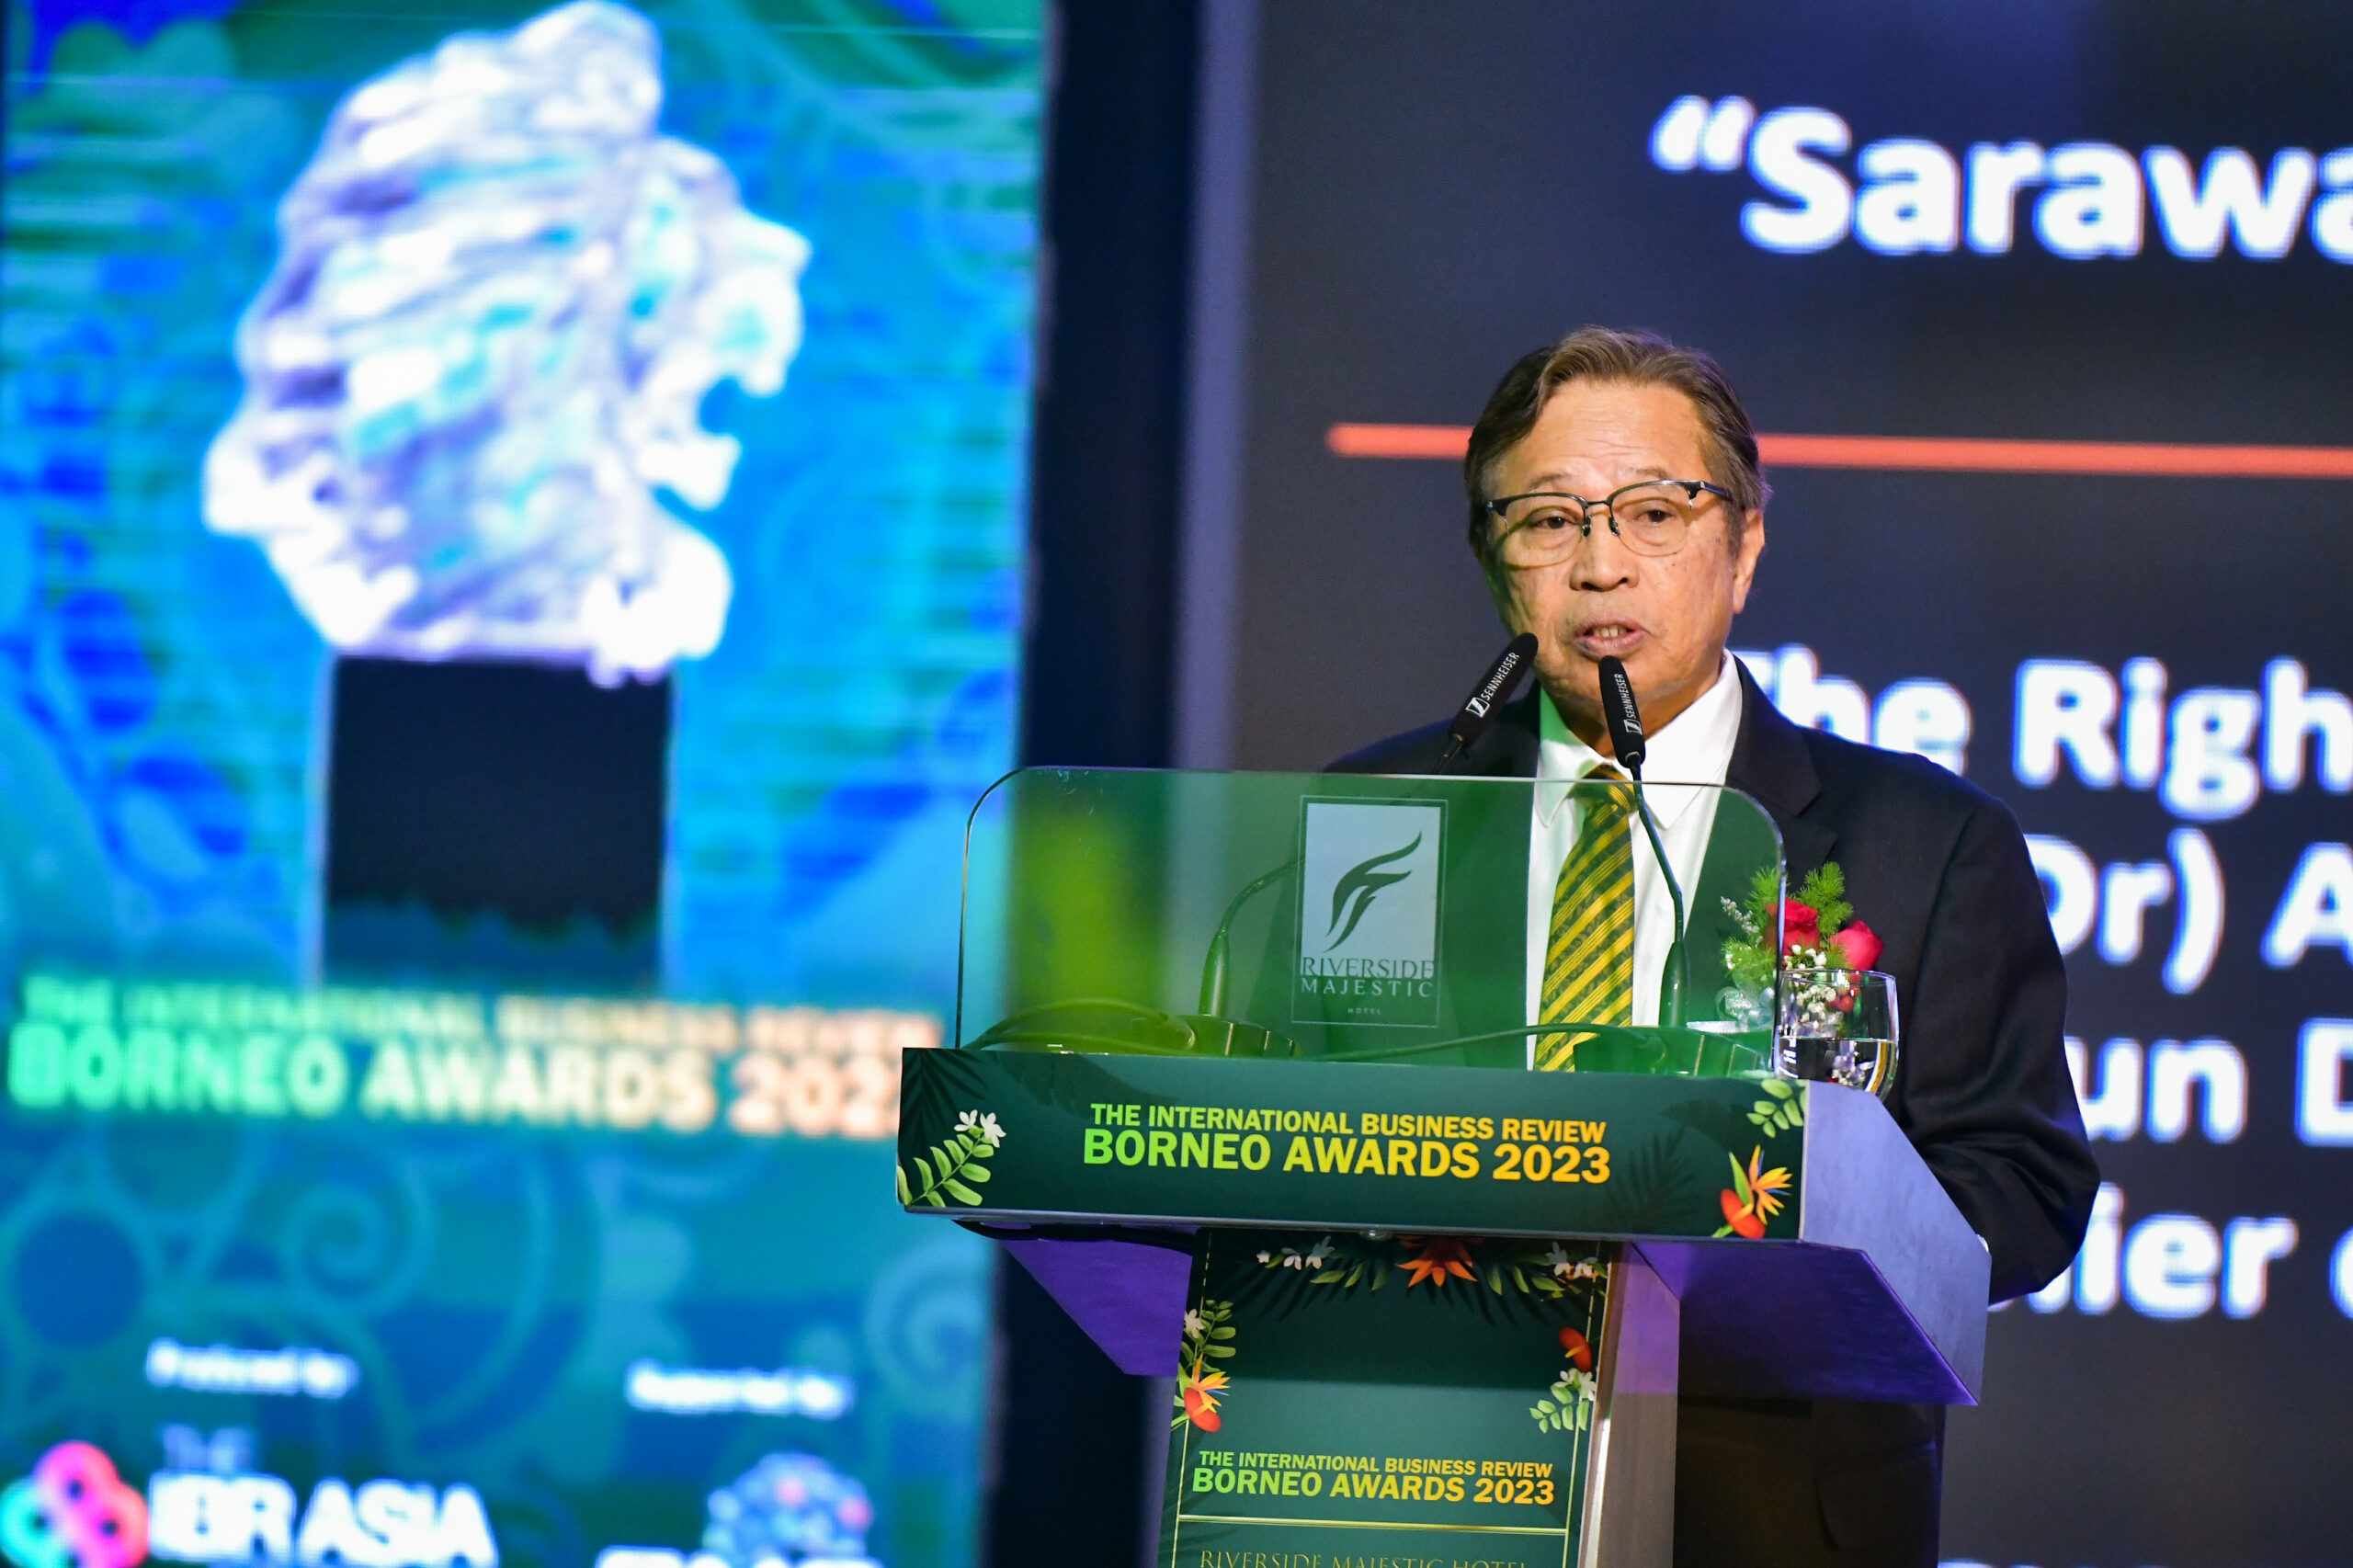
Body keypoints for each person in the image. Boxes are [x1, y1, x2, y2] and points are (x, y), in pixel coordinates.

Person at [1332, 326, 2099, 1566]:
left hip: (1772, 1503)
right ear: (1490, 557)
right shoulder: (1380, 817)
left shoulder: (1929, 843)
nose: (1600, 567)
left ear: (1743, 547)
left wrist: (1782, 1238)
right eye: (1548, 520)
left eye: (1654, 513)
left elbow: (2023, 1185)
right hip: (1424, 1488)